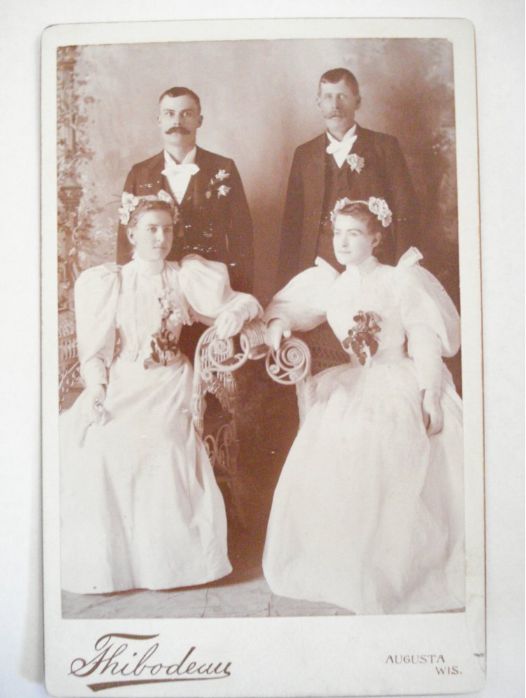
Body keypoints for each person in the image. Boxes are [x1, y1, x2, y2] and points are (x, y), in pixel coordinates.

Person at [262, 197, 464, 615]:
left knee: (384, 436)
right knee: (338, 432)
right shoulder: (330, 285)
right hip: (355, 380)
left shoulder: (398, 279)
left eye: (354, 233)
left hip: (398, 376)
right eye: (337, 233)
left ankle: (394, 566)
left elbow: (423, 334)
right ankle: (346, 559)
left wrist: (429, 391)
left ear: (375, 237)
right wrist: (280, 324)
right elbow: (292, 310)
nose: (343, 242)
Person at [60, 192, 261, 594]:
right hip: (126, 379)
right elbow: (96, 351)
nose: (160, 238)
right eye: (150, 229)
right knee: (102, 443)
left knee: (165, 445)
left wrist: (235, 314)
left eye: (167, 229)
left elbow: (241, 304)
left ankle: (170, 566)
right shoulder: (111, 281)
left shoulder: (184, 276)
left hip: (171, 382)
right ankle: (118, 567)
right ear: (131, 232)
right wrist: (98, 387)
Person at [277, 68, 419, 287]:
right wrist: (287, 282)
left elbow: (405, 209)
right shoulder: (304, 154)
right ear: (318, 103)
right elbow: (293, 222)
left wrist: (401, 270)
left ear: (357, 102)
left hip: (374, 264)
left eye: (342, 96)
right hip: (319, 266)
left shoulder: (384, 147)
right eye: (328, 97)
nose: (335, 105)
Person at [117, 86, 254, 293]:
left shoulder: (224, 168)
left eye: (186, 114)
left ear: (200, 120)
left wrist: (239, 294)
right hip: (156, 286)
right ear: (159, 120)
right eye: (169, 114)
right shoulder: (140, 173)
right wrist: (128, 292)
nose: (177, 122)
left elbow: (241, 237)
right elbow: (126, 239)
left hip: (211, 286)